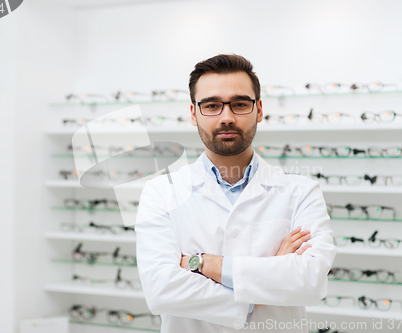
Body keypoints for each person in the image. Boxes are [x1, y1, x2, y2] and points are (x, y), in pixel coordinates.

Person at [135, 54, 337, 333]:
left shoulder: (301, 192)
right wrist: (265, 285)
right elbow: (161, 290)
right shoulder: (161, 193)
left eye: (240, 104)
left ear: (259, 110)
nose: (226, 117)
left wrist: (202, 263)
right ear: (194, 114)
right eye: (212, 105)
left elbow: (310, 282)